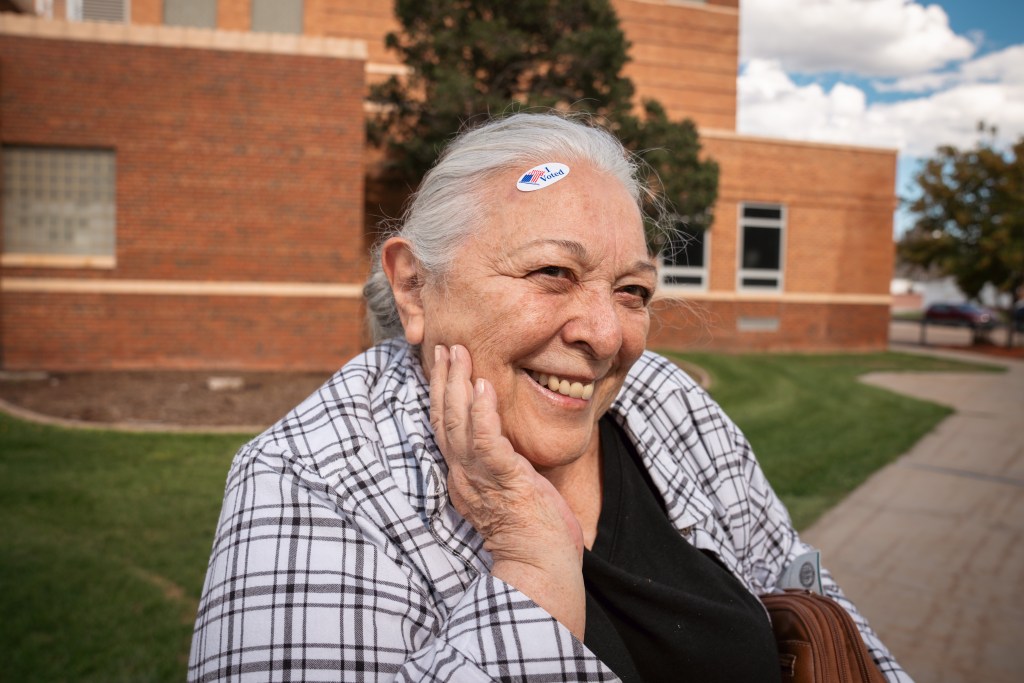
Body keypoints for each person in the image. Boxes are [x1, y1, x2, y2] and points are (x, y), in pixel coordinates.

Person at [189, 113, 911, 682]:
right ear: (414, 286)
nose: (605, 335)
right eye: (553, 273)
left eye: (632, 291)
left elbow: (819, 603)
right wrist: (532, 571)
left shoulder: (665, 404)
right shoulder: (314, 479)